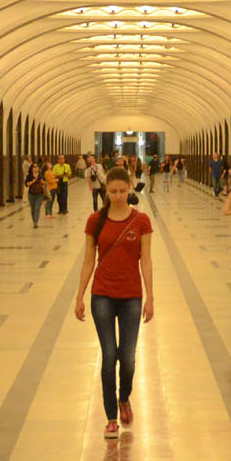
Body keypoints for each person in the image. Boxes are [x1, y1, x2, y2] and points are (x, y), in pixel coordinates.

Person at [75, 167, 155, 439]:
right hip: (103, 295)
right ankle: (111, 417)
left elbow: (146, 259)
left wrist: (151, 296)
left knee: (128, 358)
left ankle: (124, 399)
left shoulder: (141, 220)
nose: (118, 196)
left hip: (132, 295)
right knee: (109, 356)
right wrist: (79, 296)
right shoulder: (95, 221)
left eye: (122, 191)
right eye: (113, 192)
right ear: (105, 191)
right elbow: (88, 260)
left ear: (131, 187)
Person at [25, 158, 47, 226]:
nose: (36, 168)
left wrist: (43, 182)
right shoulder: (29, 176)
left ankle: (35, 222)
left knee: (37, 208)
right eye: (34, 167)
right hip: (31, 194)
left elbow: (45, 183)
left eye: (37, 166)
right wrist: (32, 182)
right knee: (33, 208)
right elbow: (26, 184)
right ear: (32, 168)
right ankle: (34, 220)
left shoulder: (41, 175)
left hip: (40, 194)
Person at [52, 153, 73, 218]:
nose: (62, 160)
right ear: (58, 160)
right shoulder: (55, 166)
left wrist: (66, 174)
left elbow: (70, 174)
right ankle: (60, 209)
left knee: (64, 196)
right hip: (58, 183)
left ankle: (65, 209)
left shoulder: (67, 166)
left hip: (64, 182)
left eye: (63, 158)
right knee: (59, 197)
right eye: (60, 158)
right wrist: (59, 175)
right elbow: (53, 175)